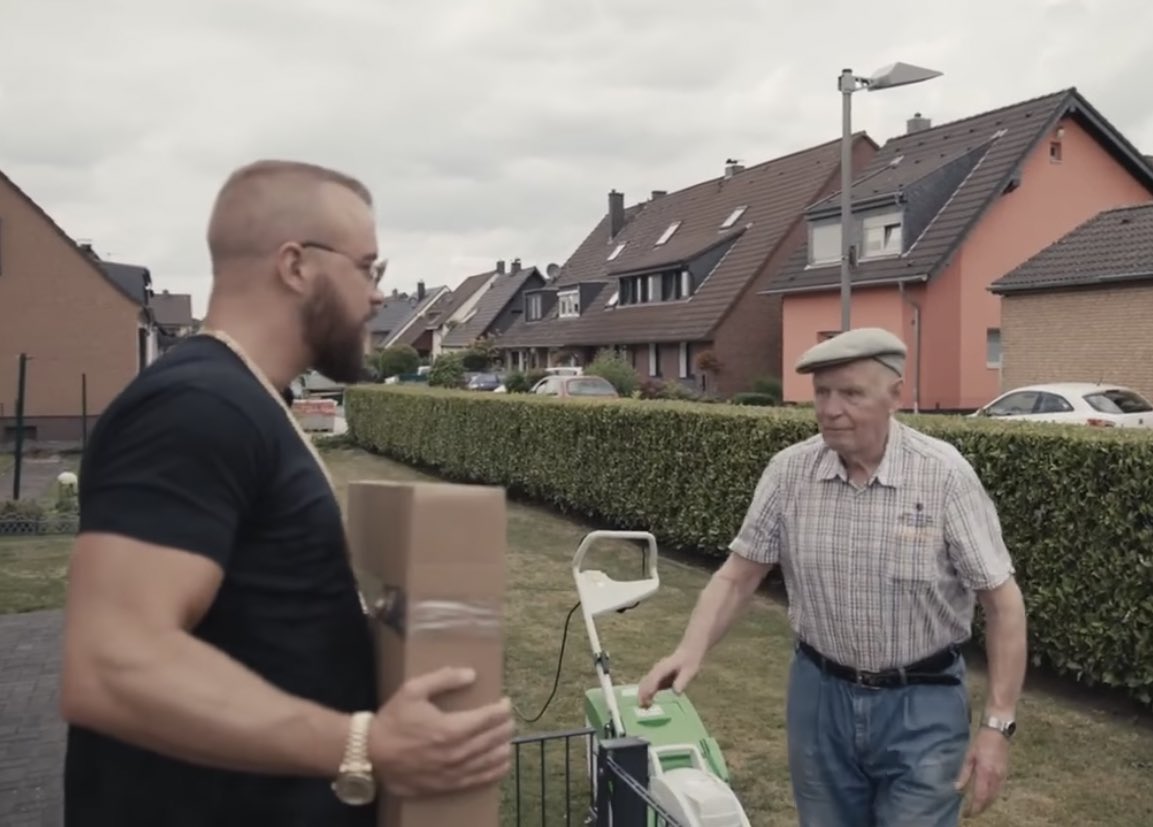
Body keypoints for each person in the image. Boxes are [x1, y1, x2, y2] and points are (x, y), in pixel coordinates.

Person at [59, 159, 515, 826]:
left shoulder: (248, 402)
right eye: (368, 267)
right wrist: (363, 744)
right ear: (296, 266)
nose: (380, 295)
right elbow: (112, 662)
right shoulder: (195, 407)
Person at [638, 327, 1028, 826]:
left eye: (850, 393)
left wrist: (997, 725)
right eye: (822, 393)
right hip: (819, 701)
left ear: (895, 395)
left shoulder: (944, 476)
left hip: (923, 707)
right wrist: (689, 650)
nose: (829, 408)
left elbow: (1002, 603)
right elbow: (738, 577)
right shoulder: (789, 472)